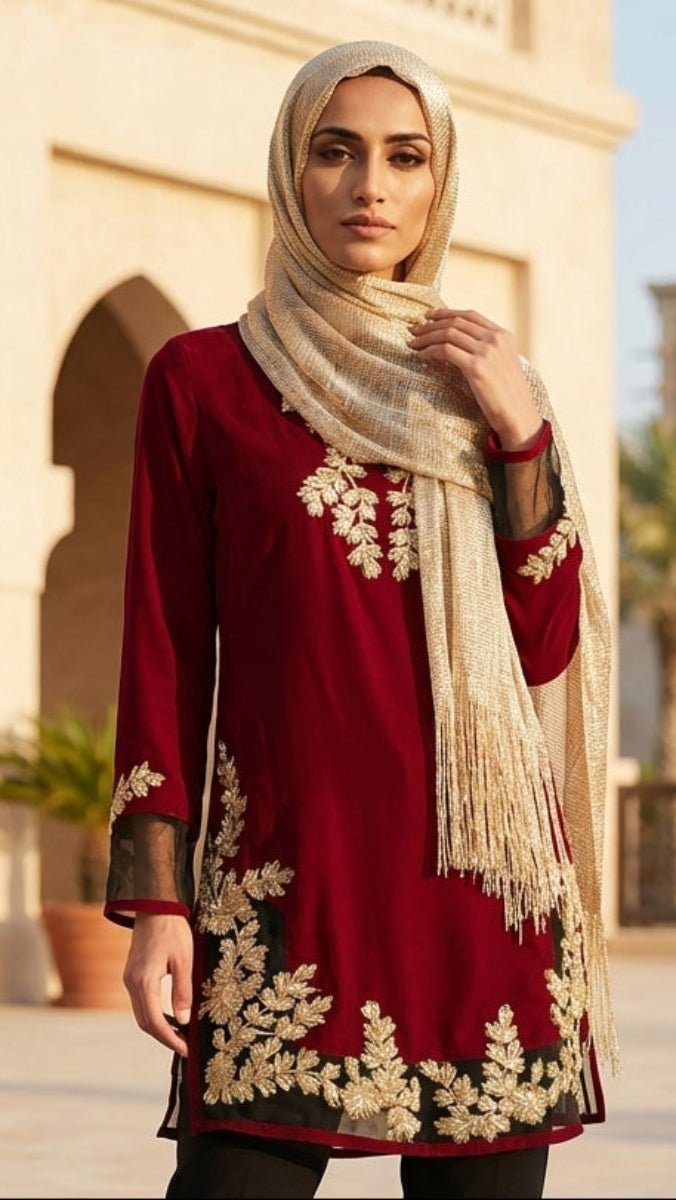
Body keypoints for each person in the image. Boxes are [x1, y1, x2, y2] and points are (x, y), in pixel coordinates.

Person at [104, 39, 620, 1200]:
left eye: (404, 157)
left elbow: (543, 643)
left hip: (480, 893)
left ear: (441, 185)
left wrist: (519, 436)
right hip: (290, 886)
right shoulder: (203, 383)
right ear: (293, 169)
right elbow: (164, 644)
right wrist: (155, 899)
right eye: (335, 152)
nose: (369, 187)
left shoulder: (486, 381)